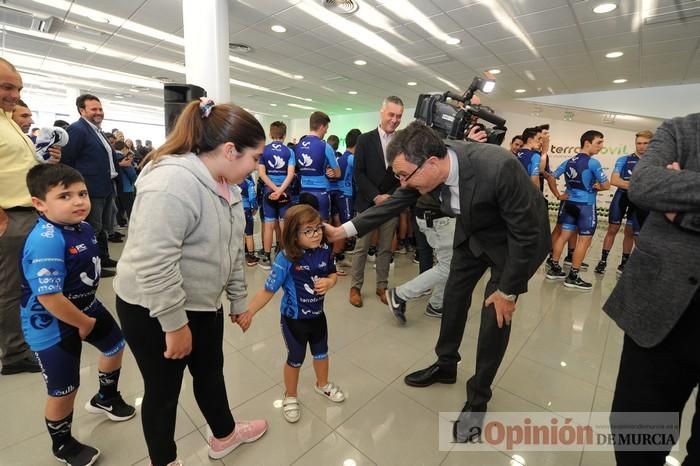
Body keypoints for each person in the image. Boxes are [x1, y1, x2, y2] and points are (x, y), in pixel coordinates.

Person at [324, 121, 551, 442]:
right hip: (475, 234)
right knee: (454, 296)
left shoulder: (498, 167)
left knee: (494, 316)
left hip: (516, 243)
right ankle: (446, 365)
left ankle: (478, 397)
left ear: (432, 163)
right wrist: (341, 231)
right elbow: (395, 200)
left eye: (405, 175)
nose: (402, 182)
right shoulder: (427, 165)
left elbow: (526, 233)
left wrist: (509, 290)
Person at [113, 99, 268, 466]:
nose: (257, 166)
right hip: (153, 308)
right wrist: (174, 325)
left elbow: (229, 249)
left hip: (202, 303)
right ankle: (164, 461)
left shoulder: (227, 184)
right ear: (230, 150)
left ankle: (225, 435)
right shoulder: (172, 181)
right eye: (255, 157)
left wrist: (238, 300)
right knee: (164, 392)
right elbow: (155, 261)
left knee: (210, 372)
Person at [21, 163, 136, 466]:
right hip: (52, 322)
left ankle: (106, 398)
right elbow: (48, 297)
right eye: (65, 196)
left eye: (82, 193)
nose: (78, 201)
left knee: (115, 346)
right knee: (64, 389)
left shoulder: (83, 227)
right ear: (39, 204)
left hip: (85, 306)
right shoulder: (46, 238)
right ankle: (62, 443)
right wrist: (83, 323)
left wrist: (87, 316)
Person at [605, 113, 700, 466]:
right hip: (658, 310)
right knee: (636, 437)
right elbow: (643, 185)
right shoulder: (682, 130)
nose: (642, 148)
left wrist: (683, 212)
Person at [237, 204, 345, 423]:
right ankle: (291, 395)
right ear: (294, 234)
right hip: (293, 321)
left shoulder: (324, 250)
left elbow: (333, 274)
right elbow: (268, 291)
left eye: (318, 228)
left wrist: (330, 282)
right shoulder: (285, 259)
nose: (316, 234)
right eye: (308, 231)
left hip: (318, 317)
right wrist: (249, 312)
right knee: (295, 359)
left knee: (322, 353)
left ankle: (322, 384)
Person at [0, 57, 61, 376]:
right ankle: (13, 353)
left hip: (26, 213)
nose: (14, 94)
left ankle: (24, 339)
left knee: (23, 283)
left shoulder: (7, 121)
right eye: (7, 86)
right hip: (9, 217)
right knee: (9, 287)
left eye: (18, 88)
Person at [349, 96, 404, 307]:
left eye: (399, 116)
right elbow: (358, 173)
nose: (395, 119)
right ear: (381, 112)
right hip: (367, 202)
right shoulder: (365, 139)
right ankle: (355, 287)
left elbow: (403, 173)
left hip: (391, 202)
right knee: (361, 247)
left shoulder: (402, 142)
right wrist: (375, 196)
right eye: (391, 114)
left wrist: (390, 196)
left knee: (385, 248)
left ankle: (382, 286)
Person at [61, 94, 120, 277]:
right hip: (90, 188)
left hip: (105, 186)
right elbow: (67, 160)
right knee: (91, 228)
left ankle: (103, 258)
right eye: (93, 109)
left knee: (102, 227)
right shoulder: (78, 130)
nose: (98, 112)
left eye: (100, 109)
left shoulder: (97, 130)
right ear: (82, 110)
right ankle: (92, 266)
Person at [546, 130, 610, 290]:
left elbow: (551, 177)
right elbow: (607, 185)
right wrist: (598, 187)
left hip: (569, 204)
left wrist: (558, 195)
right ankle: (573, 276)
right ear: (587, 143)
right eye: (599, 142)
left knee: (563, 236)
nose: (601, 146)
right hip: (586, 206)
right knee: (584, 240)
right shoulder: (593, 163)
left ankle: (554, 268)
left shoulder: (569, 161)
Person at [594, 130, 653, 275]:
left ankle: (625, 262)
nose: (641, 146)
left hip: (640, 202)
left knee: (632, 233)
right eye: (638, 143)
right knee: (612, 230)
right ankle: (603, 261)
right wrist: (640, 186)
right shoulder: (624, 159)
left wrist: (626, 183)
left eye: (645, 143)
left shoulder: (656, 163)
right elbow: (614, 180)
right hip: (622, 198)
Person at [258, 121, 296, 269]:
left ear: (270, 134)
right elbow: (291, 174)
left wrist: (273, 189)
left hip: (269, 191)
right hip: (285, 192)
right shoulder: (289, 151)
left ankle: (267, 257)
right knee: (284, 226)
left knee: (269, 226)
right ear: (284, 135)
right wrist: (280, 191)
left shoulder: (264, 151)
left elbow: (261, 173)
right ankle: (285, 255)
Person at [295, 111, 340, 222]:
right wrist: (331, 172)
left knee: (305, 225)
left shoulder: (297, 146)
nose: (326, 131)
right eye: (326, 127)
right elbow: (338, 173)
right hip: (321, 192)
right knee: (323, 225)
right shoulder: (325, 146)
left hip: (304, 191)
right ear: (321, 126)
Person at [238, 174, 259, 266]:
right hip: (246, 209)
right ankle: (251, 257)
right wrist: (254, 207)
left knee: (238, 234)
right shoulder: (248, 182)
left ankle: (238, 257)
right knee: (249, 234)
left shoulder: (230, 181)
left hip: (234, 209)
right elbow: (252, 196)